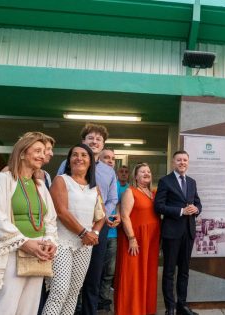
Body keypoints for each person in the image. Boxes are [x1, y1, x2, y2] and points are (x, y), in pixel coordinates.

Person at [0, 132, 58, 315]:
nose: (42, 155)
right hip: (10, 254)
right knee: (4, 307)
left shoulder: (40, 185)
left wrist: (49, 242)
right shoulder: (3, 179)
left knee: (29, 309)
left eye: (43, 151)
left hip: (38, 253)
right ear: (22, 153)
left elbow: (50, 219)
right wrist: (25, 243)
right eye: (37, 150)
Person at [56, 123, 119, 315]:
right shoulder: (68, 164)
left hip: (98, 229)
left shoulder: (108, 171)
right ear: (83, 141)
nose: (94, 141)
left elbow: (112, 199)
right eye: (90, 138)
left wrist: (100, 221)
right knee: (66, 278)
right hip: (71, 227)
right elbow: (59, 193)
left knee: (93, 276)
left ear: (103, 144)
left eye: (99, 139)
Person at [43, 144, 101, 315]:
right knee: (59, 291)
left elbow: (101, 215)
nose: (79, 158)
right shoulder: (61, 180)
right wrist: (84, 233)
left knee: (74, 292)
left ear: (90, 161)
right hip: (62, 242)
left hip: (84, 246)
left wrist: (94, 233)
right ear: (69, 160)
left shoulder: (94, 187)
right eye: (74, 155)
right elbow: (61, 211)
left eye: (84, 155)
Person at [155, 150, 202, 315]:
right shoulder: (165, 181)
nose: (182, 163)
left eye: (185, 160)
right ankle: (170, 307)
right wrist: (181, 211)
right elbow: (158, 206)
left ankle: (182, 305)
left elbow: (198, 203)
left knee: (184, 271)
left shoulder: (192, 182)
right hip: (171, 233)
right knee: (168, 271)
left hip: (188, 232)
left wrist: (196, 208)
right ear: (173, 162)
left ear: (188, 162)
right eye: (179, 160)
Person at [115, 163, 161, 315]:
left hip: (151, 240)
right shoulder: (130, 191)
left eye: (148, 171)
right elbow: (124, 216)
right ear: (135, 176)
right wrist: (132, 238)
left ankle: (145, 309)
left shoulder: (154, 193)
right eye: (142, 172)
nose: (146, 173)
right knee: (133, 275)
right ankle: (131, 310)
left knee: (148, 274)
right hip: (135, 239)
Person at [98, 148, 122, 311]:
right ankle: (81, 304)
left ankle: (104, 300)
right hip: (95, 230)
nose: (110, 160)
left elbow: (117, 202)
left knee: (109, 271)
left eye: (113, 158)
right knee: (94, 271)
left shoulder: (115, 180)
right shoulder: (96, 177)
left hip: (112, 233)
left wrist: (119, 214)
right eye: (106, 157)